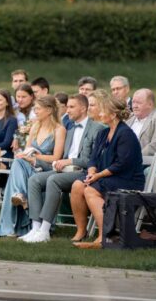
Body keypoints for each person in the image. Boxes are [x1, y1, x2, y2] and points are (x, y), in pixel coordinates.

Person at [22, 94, 105, 242]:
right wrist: (36, 159)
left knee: (53, 180)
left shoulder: (97, 129)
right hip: (63, 170)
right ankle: (35, 227)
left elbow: (94, 160)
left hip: (83, 172)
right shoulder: (70, 129)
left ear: (83, 108)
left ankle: (45, 230)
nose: (68, 110)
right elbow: (58, 156)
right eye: (67, 107)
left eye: (72, 107)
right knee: (34, 180)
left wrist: (69, 161)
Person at [70, 91, 143, 248]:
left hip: (127, 179)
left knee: (90, 190)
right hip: (106, 177)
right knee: (77, 186)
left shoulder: (126, 134)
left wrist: (97, 176)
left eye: (103, 110)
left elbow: (121, 165)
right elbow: (93, 158)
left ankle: (105, 237)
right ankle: (81, 231)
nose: (99, 113)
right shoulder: (103, 133)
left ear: (114, 114)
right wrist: (91, 172)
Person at [0, 96, 66, 237]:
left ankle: (19, 196)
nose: (35, 111)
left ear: (49, 110)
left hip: (47, 168)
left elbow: (56, 158)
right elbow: (27, 151)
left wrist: (35, 157)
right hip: (30, 166)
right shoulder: (35, 127)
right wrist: (26, 156)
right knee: (18, 161)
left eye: (38, 108)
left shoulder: (59, 130)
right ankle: (20, 196)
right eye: (34, 108)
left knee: (18, 163)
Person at [126, 89, 156, 156]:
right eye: (133, 102)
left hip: (144, 162)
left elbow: (155, 146)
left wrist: (134, 158)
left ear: (150, 104)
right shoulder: (129, 118)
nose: (135, 106)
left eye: (139, 103)